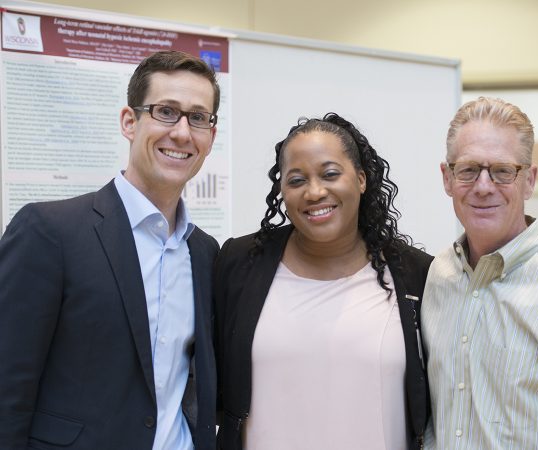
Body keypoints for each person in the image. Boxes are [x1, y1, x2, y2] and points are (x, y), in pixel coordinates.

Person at [0, 51, 220, 450]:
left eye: (198, 117)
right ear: (129, 122)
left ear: (211, 136)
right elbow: (6, 388)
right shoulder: (50, 232)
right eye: (166, 111)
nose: (183, 133)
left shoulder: (204, 252)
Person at [214, 112, 433, 450]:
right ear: (282, 189)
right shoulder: (240, 263)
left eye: (330, 174)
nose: (314, 192)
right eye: (296, 180)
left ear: (361, 179)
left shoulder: (416, 275)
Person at [422, 96, 538, 449]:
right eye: (468, 169)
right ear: (447, 178)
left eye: (503, 171)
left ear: (529, 181)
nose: (483, 186)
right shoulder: (436, 277)